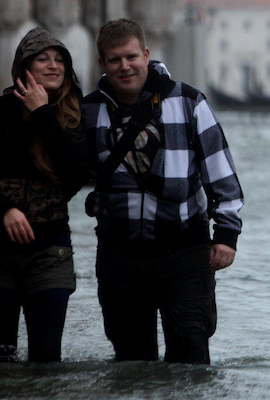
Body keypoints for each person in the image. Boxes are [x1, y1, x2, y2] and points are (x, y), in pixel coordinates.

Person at [83, 19, 244, 363]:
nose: (124, 66)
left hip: (185, 249)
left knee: (190, 350)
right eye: (114, 60)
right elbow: (69, 172)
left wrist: (227, 234)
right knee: (131, 360)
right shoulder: (89, 110)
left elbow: (220, 171)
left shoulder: (188, 101)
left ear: (146, 54)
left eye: (131, 57)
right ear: (103, 64)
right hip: (119, 252)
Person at [0, 28, 86, 362]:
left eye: (60, 59)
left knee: (46, 360)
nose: (53, 65)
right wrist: (6, 209)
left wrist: (44, 113)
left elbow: (76, 175)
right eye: (42, 58)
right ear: (23, 68)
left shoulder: (74, 116)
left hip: (49, 252)